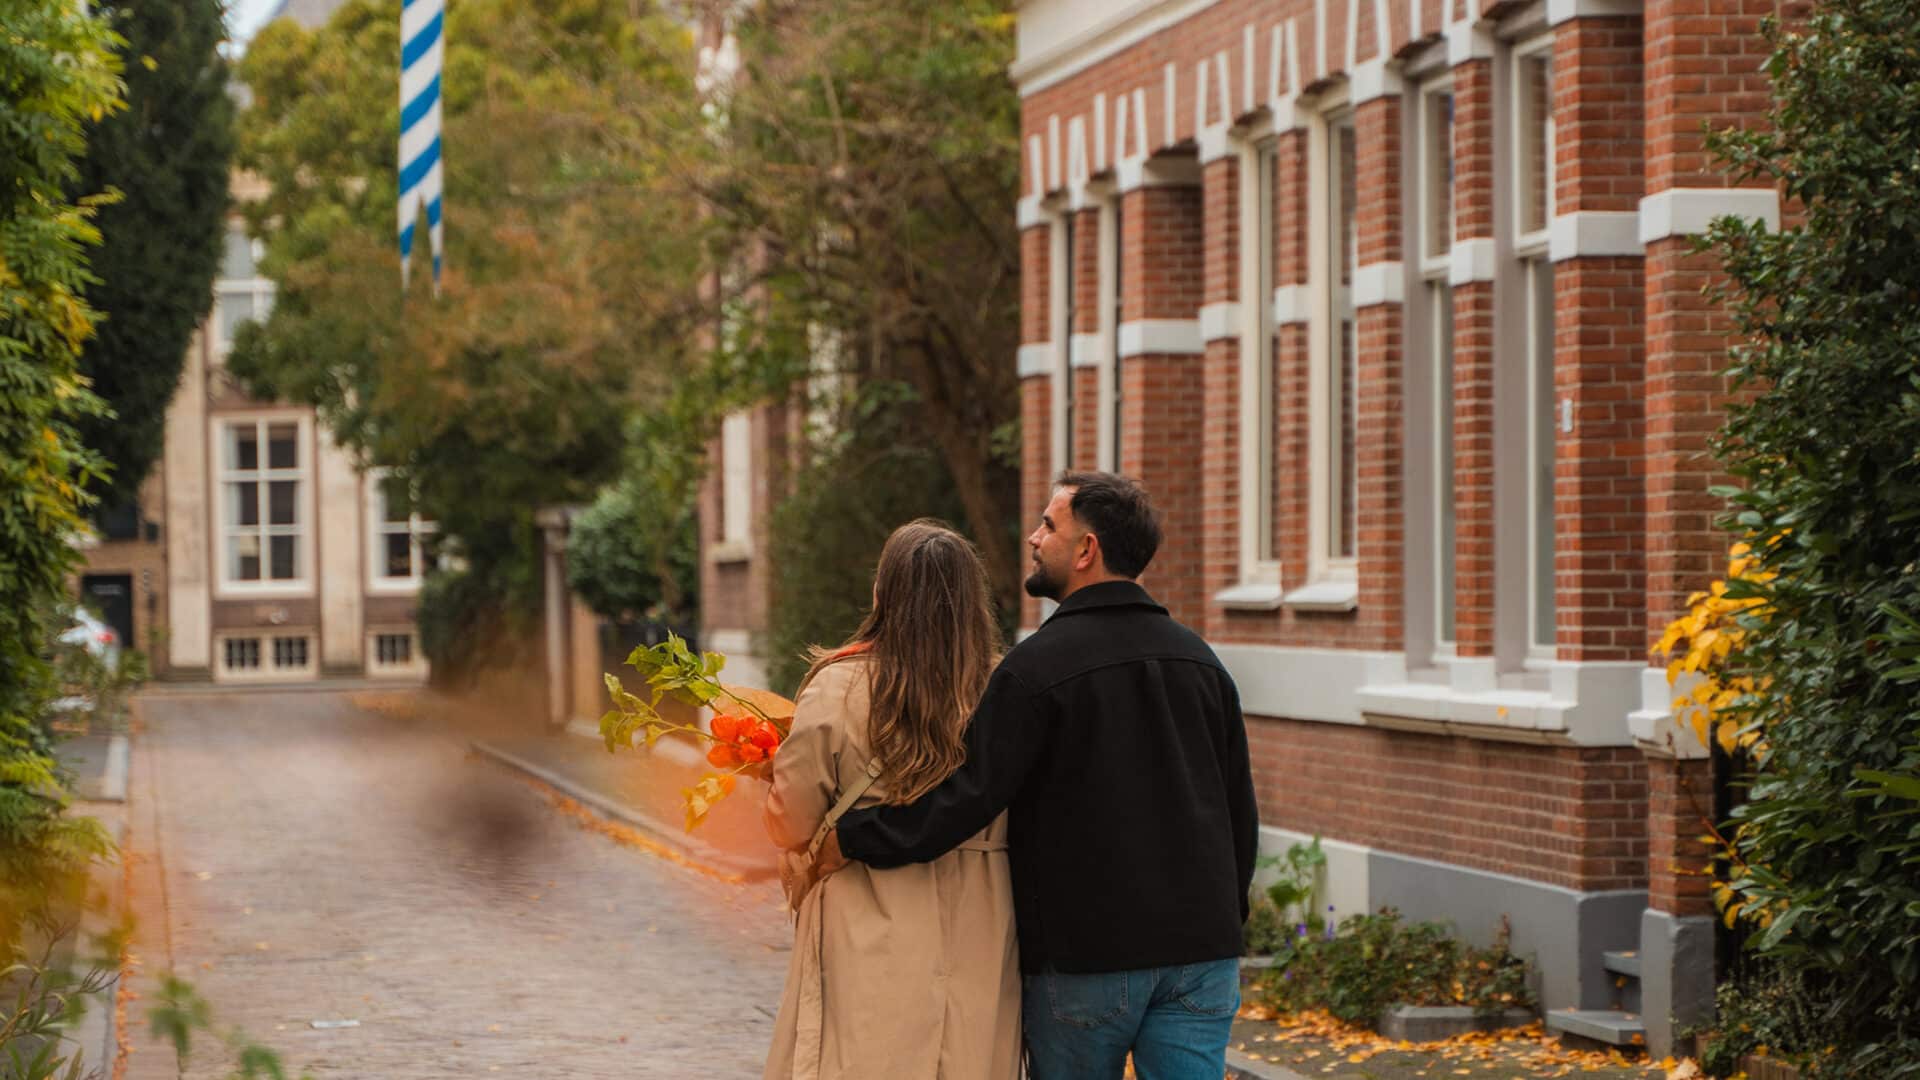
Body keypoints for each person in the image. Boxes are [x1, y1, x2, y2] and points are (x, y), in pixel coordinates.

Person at [818, 471, 1259, 1080]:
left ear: (1086, 550)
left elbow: (967, 797)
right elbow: (1240, 810)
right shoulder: (1200, 660)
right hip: (1203, 956)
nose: (1033, 537)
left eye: (1049, 525)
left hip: (1086, 959)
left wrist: (853, 835)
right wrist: (1224, 920)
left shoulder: (1035, 669)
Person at [761, 520, 1020, 1080]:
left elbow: (793, 819)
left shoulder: (839, 685)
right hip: (983, 910)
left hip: (865, 901)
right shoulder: (1007, 689)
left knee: (862, 1055)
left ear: (885, 593)